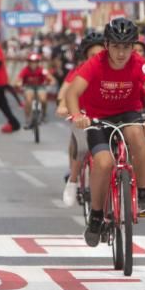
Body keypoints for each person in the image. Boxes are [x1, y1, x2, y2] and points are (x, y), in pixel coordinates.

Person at [67, 19, 145, 242]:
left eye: (126, 47)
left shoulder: (139, 63)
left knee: (137, 136)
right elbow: (72, 93)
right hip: (97, 118)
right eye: (116, 47)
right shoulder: (94, 63)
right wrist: (77, 116)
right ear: (106, 45)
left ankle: (144, 194)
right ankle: (95, 216)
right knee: (103, 163)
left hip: (128, 113)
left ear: (133, 47)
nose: (121, 53)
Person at [56, 31, 106, 206]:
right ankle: (74, 180)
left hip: (108, 117)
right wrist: (63, 105)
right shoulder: (81, 71)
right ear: (85, 56)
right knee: (82, 146)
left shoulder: (115, 69)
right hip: (82, 116)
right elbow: (67, 91)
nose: (97, 58)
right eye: (93, 55)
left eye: (101, 53)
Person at [15, 53, 54, 128]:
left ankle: (44, 115)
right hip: (29, 87)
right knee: (28, 100)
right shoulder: (25, 70)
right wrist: (19, 83)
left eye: (35, 62)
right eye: (31, 62)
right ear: (28, 62)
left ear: (38, 63)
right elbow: (19, 79)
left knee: (43, 99)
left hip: (40, 87)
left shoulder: (42, 70)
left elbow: (51, 78)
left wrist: (51, 82)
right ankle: (28, 119)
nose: (33, 64)